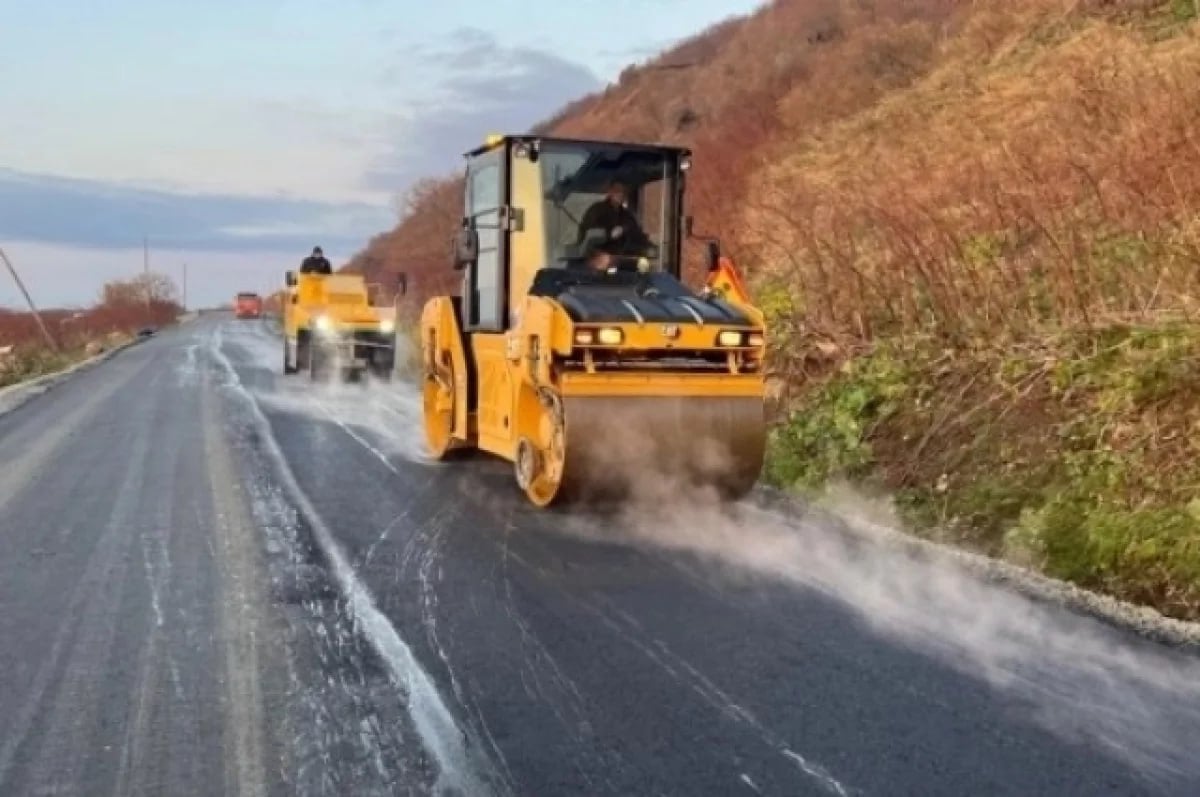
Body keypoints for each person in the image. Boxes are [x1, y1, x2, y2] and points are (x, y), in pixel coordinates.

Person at [576, 180, 650, 255]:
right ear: (610, 192)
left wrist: (650, 247)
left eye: (624, 191)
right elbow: (587, 233)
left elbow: (637, 234)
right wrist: (609, 234)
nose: (621, 194)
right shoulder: (597, 210)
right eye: (617, 191)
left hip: (625, 259)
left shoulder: (627, 215)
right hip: (599, 257)